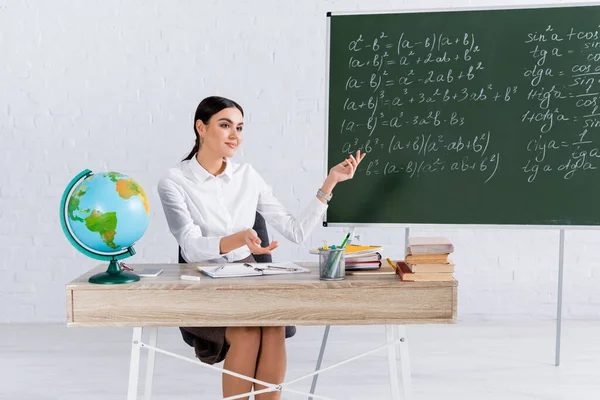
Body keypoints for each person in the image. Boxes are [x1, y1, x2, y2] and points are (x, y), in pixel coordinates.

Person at [157, 95, 365, 399]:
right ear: (201, 128)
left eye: (239, 128)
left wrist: (330, 183)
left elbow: (295, 231)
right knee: (246, 331)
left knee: (273, 326)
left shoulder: (247, 175)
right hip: (203, 286)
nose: (234, 135)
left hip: (248, 279)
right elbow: (190, 248)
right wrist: (239, 238)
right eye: (225, 125)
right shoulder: (174, 181)